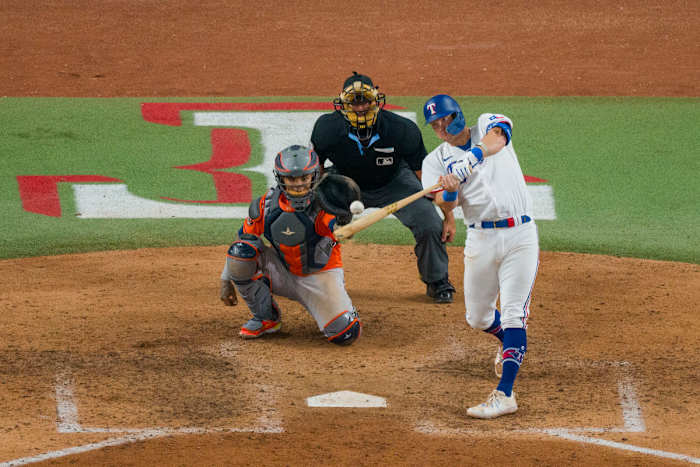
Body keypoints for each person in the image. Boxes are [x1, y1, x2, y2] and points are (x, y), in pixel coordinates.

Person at [420, 94, 539, 419]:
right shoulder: (435, 162)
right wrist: (449, 187)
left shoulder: (486, 124)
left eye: (446, 118)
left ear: (459, 114)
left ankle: (505, 393)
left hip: (520, 234)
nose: (442, 126)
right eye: (436, 124)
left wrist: (470, 159)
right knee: (478, 317)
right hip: (481, 238)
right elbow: (446, 204)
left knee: (515, 313)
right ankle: (507, 342)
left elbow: (499, 138)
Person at [310, 71, 456, 303]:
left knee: (429, 223)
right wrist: (317, 201)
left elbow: (425, 178)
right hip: (345, 183)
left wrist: (447, 216)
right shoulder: (326, 128)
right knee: (310, 219)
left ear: (376, 101)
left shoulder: (401, 129)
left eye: (364, 101)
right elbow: (314, 168)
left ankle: (437, 280)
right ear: (343, 103)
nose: (360, 108)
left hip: (394, 182)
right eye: (354, 102)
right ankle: (307, 275)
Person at [219, 144, 361, 345]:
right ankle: (266, 317)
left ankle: (346, 309)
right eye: (292, 179)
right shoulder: (264, 206)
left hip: (319, 277)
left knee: (346, 334)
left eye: (304, 178)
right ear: (280, 178)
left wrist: (341, 225)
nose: (298, 184)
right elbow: (242, 239)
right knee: (241, 252)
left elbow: (336, 224)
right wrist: (226, 279)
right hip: (282, 271)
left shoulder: (325, 205)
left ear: (313, 176)